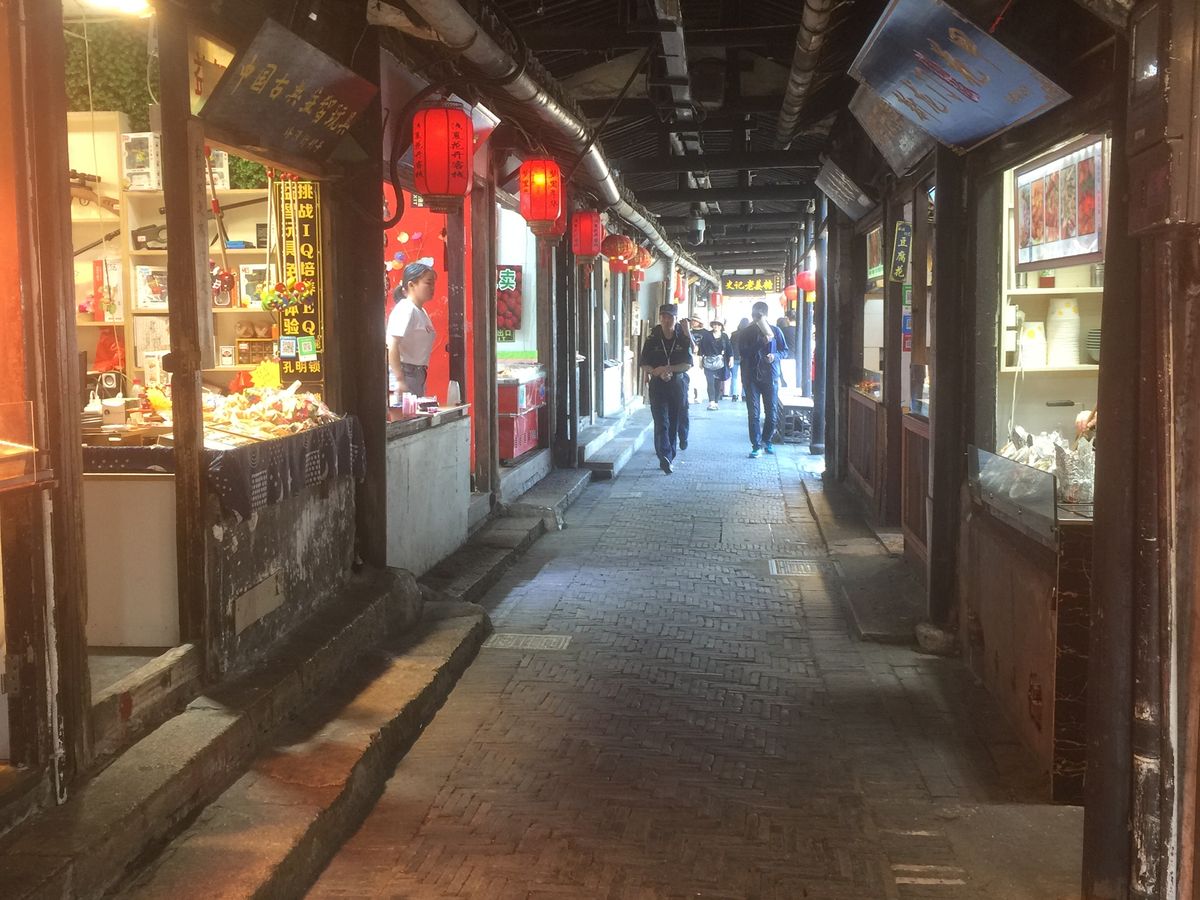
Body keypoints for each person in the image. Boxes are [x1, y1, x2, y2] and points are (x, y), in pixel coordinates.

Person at [639, 304, 693, 474]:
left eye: (670, 317)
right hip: (658, 383)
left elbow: (688, 363)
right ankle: (665, 456)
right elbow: (644, 363)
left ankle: (675, 446)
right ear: (660, 318)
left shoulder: (682, 337)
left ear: (676, 319)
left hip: (677, 383)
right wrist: (656, 371)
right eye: (663, 317)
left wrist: (669, 369)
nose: (666, 320)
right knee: (661, 420)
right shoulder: (653, 337)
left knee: (675, 419)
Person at [737, 301, 787, 458]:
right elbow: (743, 353)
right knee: (754, 413)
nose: (757, 318)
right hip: (751, 377)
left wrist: (775, 356)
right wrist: (761, 343)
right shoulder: (746, 333)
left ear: (766, 315)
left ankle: (767, 440)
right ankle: (756, 445)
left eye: (760, 316)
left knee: (771, 413)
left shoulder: (776, 331)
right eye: (755, 316)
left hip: (770, 376)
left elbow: (784, 351)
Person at [387, 260, 437, 399]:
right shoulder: (405, 308)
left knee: (415, 412)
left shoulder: (421, 311)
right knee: (404, 413)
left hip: (418, 374)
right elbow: (392, 345)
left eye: (433, 284)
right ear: (411, 285)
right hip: (405, 373)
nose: (432, 288)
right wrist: (399, 379)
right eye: (428, 283)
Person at [697, 320, 733, 410]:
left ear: (721, 326)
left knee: (718, 382)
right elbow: (701, 348)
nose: (716, 326)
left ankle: (716, 401)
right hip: (708, 362)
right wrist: (700, 361)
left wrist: (731, 359)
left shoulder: (724, 336)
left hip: (720, 362)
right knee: (710, 382)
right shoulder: (707, 335)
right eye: (714, 324)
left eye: (718, 325)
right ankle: (711, 402)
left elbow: (729, 348)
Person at [728, 317, 750, 401]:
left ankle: (734, 395)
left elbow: (730, 346)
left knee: (734, 377)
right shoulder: (748, 334)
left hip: (735, 357)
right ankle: (744, 395)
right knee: (744, 376)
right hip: (744, 357)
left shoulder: (734, 334)